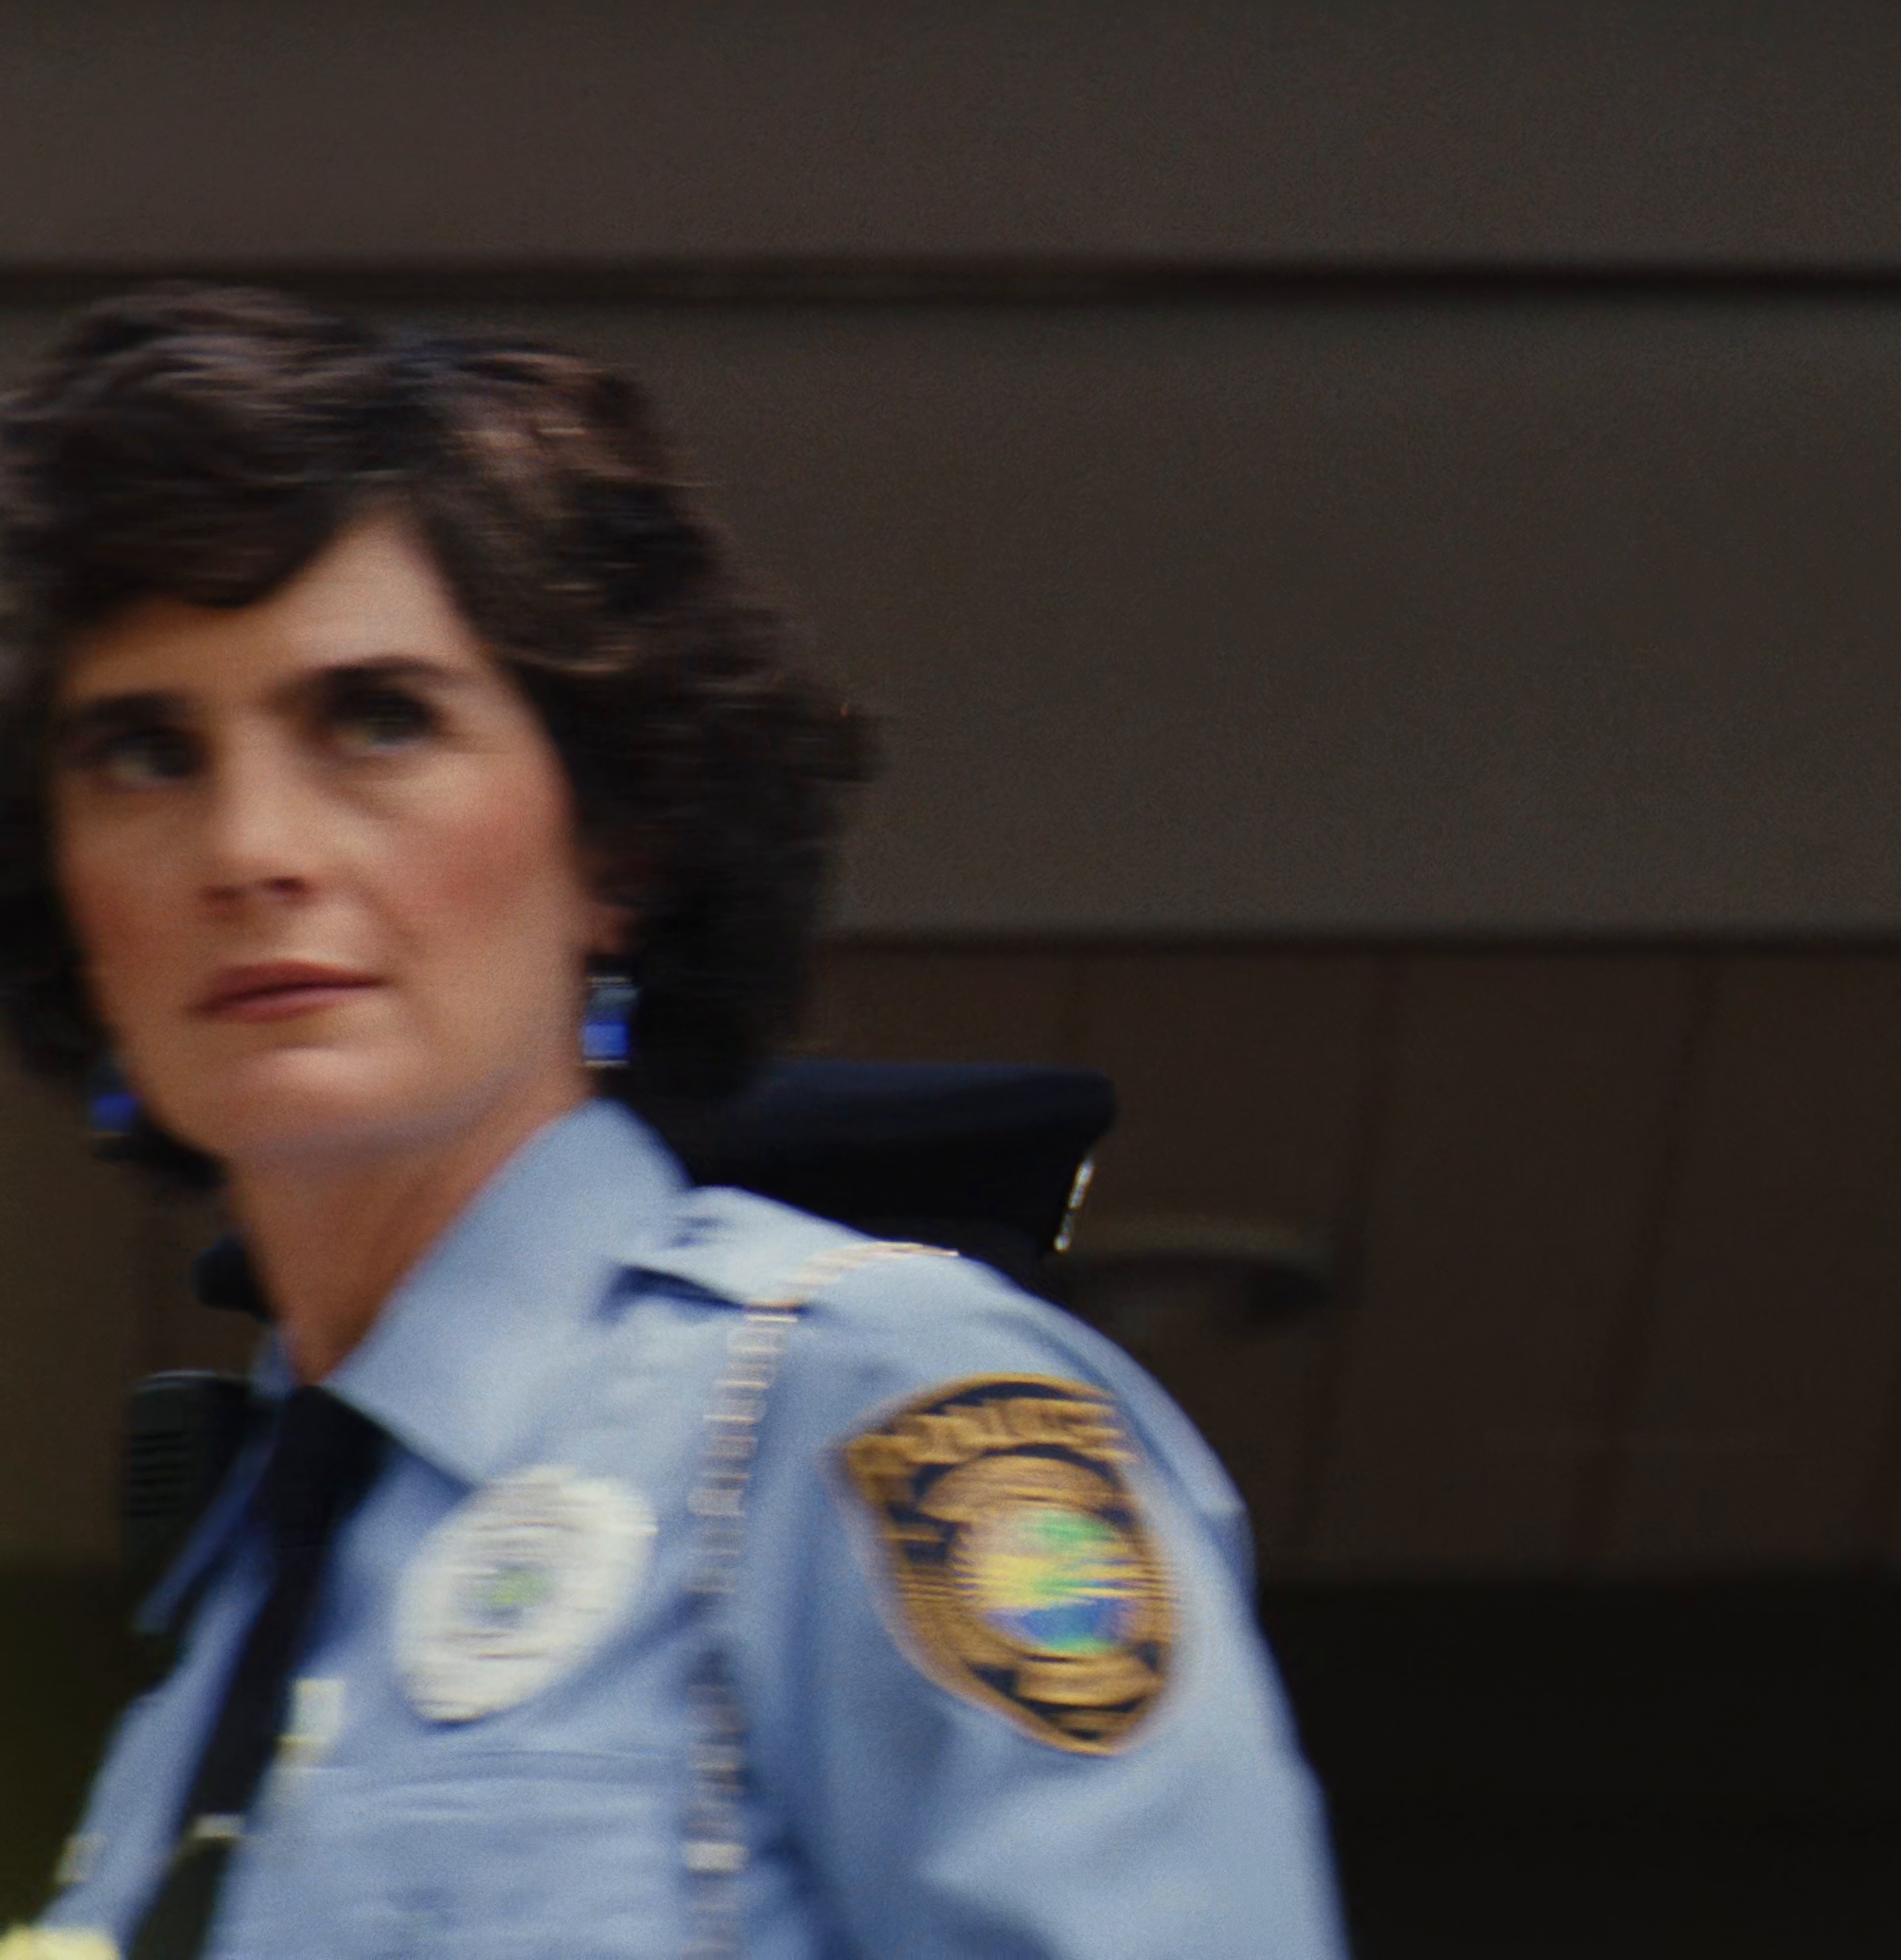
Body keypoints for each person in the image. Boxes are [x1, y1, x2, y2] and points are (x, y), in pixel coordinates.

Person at [0, 286, 1347, 1957]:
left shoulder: (873, 1408)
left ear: (620, 843)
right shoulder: (227, 1618)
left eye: (378, 719)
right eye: (144, 753)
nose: (249, 848)